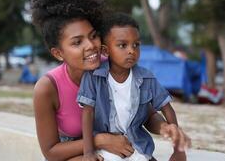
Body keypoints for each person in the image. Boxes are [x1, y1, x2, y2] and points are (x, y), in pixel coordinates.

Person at [30, 0, 190, 161]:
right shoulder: (48, 88)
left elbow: (144, 113)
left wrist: (164, 128)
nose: (91, 45)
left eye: (93, 36)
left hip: (117, 150)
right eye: (77, 42)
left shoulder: (114, 65)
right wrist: (100, 140)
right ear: (58, 53)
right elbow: (51, 152)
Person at [78, 13, 188, 161]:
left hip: (137, 145)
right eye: (123, 45)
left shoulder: (146, 78)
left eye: (136, 44)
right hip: (106, 147)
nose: (131, 50)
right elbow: (87, 114)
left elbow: (166, 108)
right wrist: (88, 152)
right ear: (105, 51)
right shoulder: (93, 77)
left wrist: (178, 150)